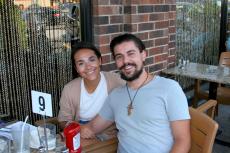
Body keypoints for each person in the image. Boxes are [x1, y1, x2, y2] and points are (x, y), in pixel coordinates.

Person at [81, 34, 191, 153]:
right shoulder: (115, 96)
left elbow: (182, 140)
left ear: (143, 55)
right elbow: (92, 128)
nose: (125, 61)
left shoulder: (169, 88)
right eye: (119, 57)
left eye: (131, 53)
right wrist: (66, 133)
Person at [58, 42, 125, 130]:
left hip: (110, 131)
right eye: (81, 63)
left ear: (100, 61)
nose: (88, 67)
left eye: (92, 60)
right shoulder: (69, 89)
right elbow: (63, 120)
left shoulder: (117, 81)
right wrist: (80, 129)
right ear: (76, 68)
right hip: (80, 131)